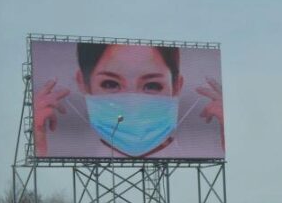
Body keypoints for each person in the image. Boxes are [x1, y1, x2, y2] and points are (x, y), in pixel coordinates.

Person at [34, 43, 224, 157]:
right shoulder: (57, 151)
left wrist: (228, 136)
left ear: (177, 86)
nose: (133, 106)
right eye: (110, 84)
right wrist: (37, 147)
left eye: (152, 86)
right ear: (82, 82)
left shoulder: (203, 151)